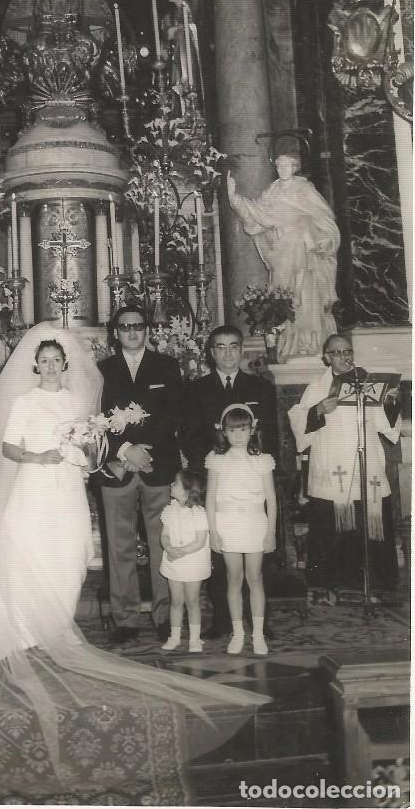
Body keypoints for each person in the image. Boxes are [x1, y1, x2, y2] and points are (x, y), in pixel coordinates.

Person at [0, 322, 269, 802]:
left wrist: (85, 451)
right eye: (42, 361)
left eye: (56, 360)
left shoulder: (79, 404)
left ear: (65, 364)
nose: (50, 366)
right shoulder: (22, 402)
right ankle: (22, 627)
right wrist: (38, 456)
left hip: (66, 490)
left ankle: (51, 624)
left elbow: (94, 446)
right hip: (33, 485)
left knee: (67, 557)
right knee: (29, 554)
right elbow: (7, 447)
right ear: (34, 364)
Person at [180, 324, 278, 639]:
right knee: (221, 555)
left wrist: (255, 463)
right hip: (216, 479)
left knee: (258, 558)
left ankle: (261, 619)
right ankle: (223, 619)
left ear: (242, 350)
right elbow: (190, 436)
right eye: (220, 347)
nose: (227, 353)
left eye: (233, 346)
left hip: (252, 482)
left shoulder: (260, 387)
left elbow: (272, 434)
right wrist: (213, 464)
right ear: (211, 353)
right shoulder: (196, 389)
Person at [288, 334, 401, 600]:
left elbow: (387, 425)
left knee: (371, 523)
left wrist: (392, 402)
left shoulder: (370, 383)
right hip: (333, 469)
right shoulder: (317, 387)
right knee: (332, 527)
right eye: (336, 352)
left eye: (347, 351)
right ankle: (329, 585)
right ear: (326, 357)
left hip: (366, 467)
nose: (344, 356)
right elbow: (297, 417)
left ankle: (377, 585)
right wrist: (317, 411)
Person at [97, 303, 184, 645]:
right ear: (115, 333)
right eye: (124, 327)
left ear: (146, 329)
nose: (132, 332)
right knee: (119, 547)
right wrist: (123, 451)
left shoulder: (167, 366)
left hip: (157, 466)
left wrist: (141, 449)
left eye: (138, 326)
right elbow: (96, 417)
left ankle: (165, 615)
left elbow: (173, 414)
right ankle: (126, 618)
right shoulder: (101, 370)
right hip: (116, 468)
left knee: (163, 543)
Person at [227, 152, 340, 360]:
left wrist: (323, 240)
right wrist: (235, 199)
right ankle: (287, 344)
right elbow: (255, 214)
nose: (283, 169)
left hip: (304, 253)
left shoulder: (304, 189)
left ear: (294, 167)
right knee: (282, 298)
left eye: (287, 166)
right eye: (279, 166)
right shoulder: (272, 191)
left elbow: (325, 218)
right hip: (281, 253)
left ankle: (310, 343)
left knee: (305, 297)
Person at [205, 404, 277, 656]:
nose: (238, 435)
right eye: (232, 430)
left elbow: (271, 499)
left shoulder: (262, 460)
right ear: (223, 432)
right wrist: (212, 531)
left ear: (252, 430)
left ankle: (258, 634)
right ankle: (238, 634)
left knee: (254, 578)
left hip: (255, 523)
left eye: (243, 429)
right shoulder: (217, 460)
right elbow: (211, 498)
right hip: (227, 524)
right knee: (233, 579)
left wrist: (271, 532)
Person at [159, 470, 211, 653]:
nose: (171, 485)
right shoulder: (170, 510)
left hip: (192, 561)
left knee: (193, 601)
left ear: (187, 490)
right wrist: (168, 548)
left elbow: (200, 541)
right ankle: (174, 637)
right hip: (174, 561)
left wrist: (180, 551)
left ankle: (195, 639)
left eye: (175, 483)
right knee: (176, 601)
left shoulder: (199, 513)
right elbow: (164, 535)